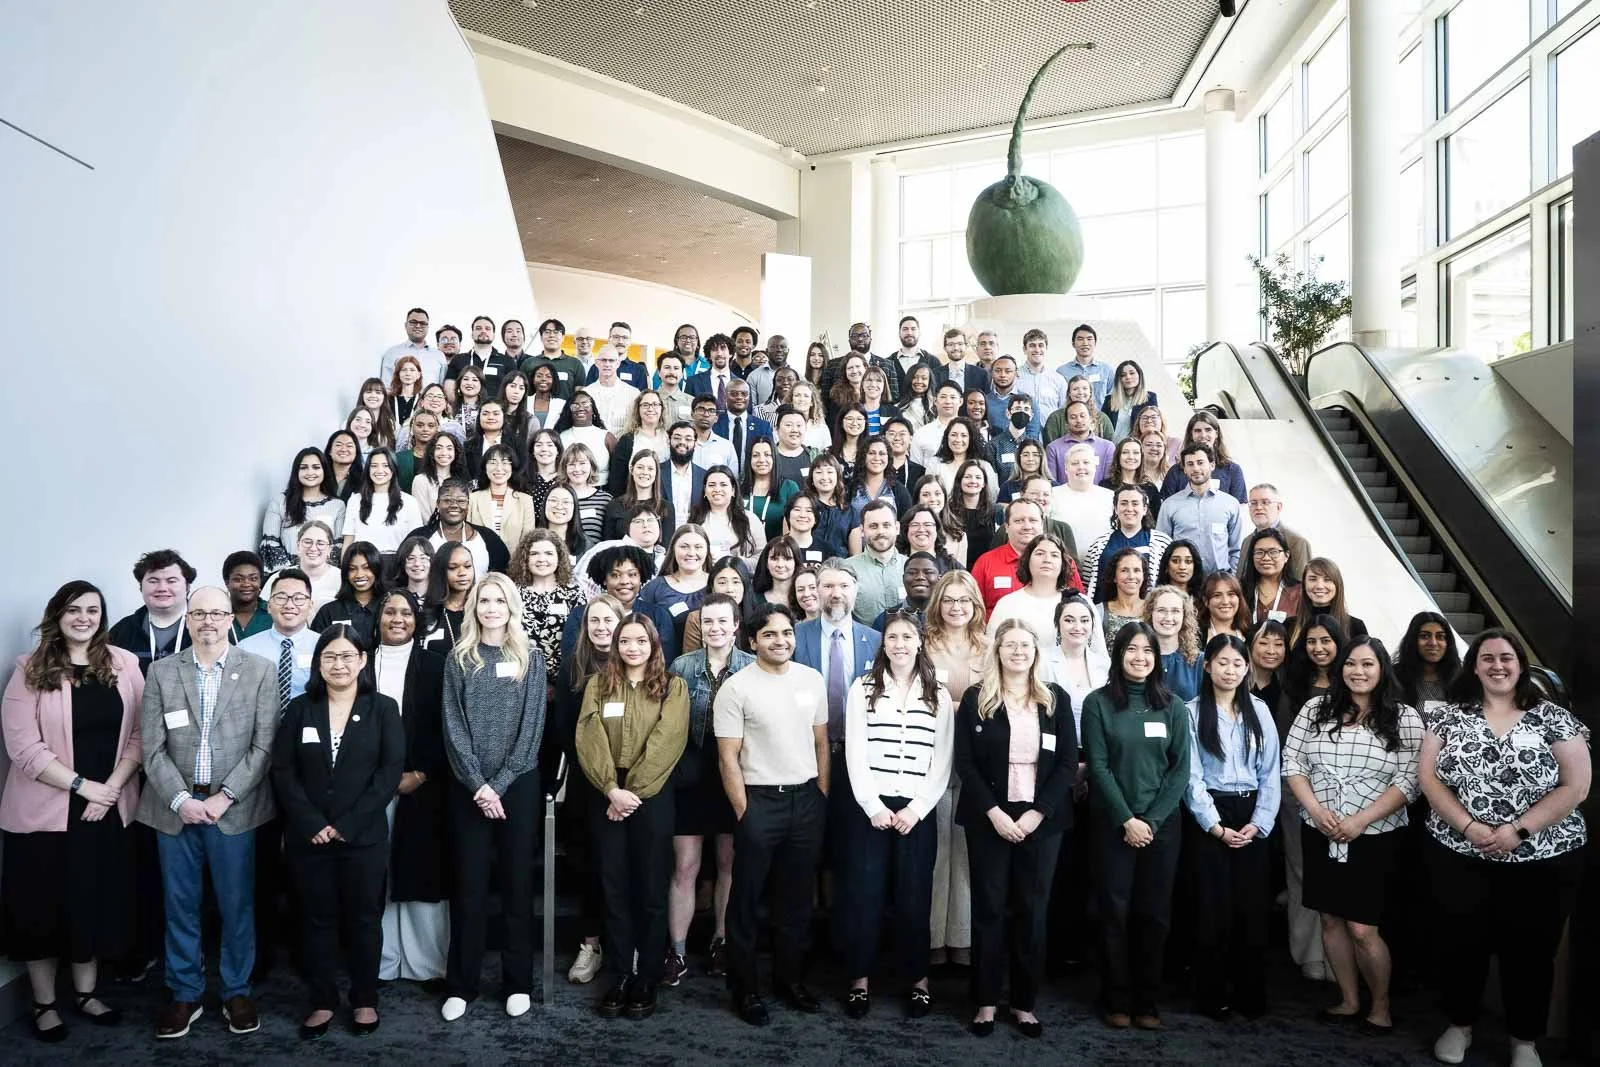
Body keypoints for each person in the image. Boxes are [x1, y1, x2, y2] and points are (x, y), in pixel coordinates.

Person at [1419, 629, 1589, 1067]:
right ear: (1474, 665)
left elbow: (1577, 786)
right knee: (1461, 945)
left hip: (1543, 858)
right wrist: (1468, 825)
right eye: (1487, 657)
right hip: (1459, 854)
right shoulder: (1449, 717)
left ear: (1521, 665)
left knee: (1531, 952)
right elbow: (1429, 779)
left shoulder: (1553, 718)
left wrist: (1519, 830)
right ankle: (1459, 1025)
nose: (1497, 665)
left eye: (1507, 657)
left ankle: (1525, 1041)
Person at [2, 582, 144, 1041]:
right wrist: (85, 788)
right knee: (40, 910)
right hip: (46, 816)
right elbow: (24, 748)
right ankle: (44, 1003)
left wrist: (110, 791)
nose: (83, 617)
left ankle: (86, 994)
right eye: (73, 609)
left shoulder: (124, 664)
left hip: (107, 811)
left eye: (92, 610)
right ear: (56, 615)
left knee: (94, 904)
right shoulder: (30, 668)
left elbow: (142, 735)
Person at [136, 586, 278, 1040]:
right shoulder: (160, 672)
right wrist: (182, 799)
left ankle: (236, 990)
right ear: (188, 619)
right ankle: (184, 993)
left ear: (229, 619)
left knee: (237, 905)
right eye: (199, 613)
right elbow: (152, 747)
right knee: (179, 905)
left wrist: (225, 797)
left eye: (218, 613)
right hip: (174, 808)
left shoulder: (259, 670)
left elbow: (264, 745)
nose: (209, 621)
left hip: (233, 810)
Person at [1281, 636, 1423, 1034]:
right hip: (1320, 827)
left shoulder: (1405, 716)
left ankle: (1380, 1005)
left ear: (1382, 670)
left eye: (1367, 665)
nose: (1358, 672)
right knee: (1329, 918)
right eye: (1351, 664)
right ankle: (1348, 999)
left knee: (1363, 928)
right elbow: (1292, 760)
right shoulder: (1315, 708)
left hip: (1375, 833)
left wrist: (1362, 820)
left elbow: (1411, 778)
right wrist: (1314, 809)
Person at [271, 624, 403, 1040]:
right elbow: (283, 770)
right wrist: (312, 824)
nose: (338, 664)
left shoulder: (383, 708)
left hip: (361, 838)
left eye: (347, 656)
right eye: (330, 656)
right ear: (319, 662)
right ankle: (322, 1000)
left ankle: (364, 999)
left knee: (365, 919)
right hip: (308, 839)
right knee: (315, 920)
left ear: (362, 660)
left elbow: (389, 774)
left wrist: (347, 824)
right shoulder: (299, 708)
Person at [955, 618, 1077, 1038]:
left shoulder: (1055, 700)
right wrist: (995, 813)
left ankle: (1025, 1004)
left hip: (1041, 820)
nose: (1018, 652)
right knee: (988, 910)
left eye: (1025, 645)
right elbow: (965, 765)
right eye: (1010, 645)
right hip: (990, 817)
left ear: (1036, 652)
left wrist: (1037, 812)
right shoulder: (977, 699)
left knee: (1032, 912)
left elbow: (1066, 765)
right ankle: (986, 1002)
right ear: (998, 651)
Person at [714, 603, 830, 1025]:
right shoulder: (736, 687)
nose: (780, 641)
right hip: (759, 802)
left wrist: (819, 795)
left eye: (786, 633)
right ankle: (745, 990)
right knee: (745, 903)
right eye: (769, 634)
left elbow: (821, 744)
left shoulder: (811, 680)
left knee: (797, 901)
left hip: (805, 801)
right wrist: (745, 811)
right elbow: (728, 759)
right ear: (751, 641)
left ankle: (790, 980)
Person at [439, 574, 546, 1023]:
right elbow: (452, 725)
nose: (490, 607)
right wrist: (479, 784)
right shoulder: (458, 659)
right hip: (469, 787)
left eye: (499, 600)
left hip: (517, 785)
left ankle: (517, 982)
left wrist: (499, 784)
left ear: (511, 606)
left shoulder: (530, 658)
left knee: (518, 888)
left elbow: (532, 728)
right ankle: (461, 985)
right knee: (469, 888)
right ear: (474, 606)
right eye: (484, 600)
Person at [837, 611, 953, 1021]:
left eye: (907, 637)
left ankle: (918, 982)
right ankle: (859, 982)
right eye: (892, 638)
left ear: (920, 642)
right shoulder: (862, 688)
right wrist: (873, 806)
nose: (900, 644)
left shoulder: (937, 692)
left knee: (914, 898)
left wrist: (917, 809)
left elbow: (943, 758)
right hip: (871, 808)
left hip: (916, 810)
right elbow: (854, 752)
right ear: (883, 644)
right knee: (864, 896)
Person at [576, 615, 689, 1020]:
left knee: (650, 886)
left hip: (651, 795)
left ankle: (648, 977)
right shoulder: (598, 684)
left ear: (654, 644)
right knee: (614, 885)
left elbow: (668, 740)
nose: (633, 647)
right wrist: (610, 789)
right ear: (616, 645)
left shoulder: (673, 687)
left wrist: (630, 794)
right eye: (626, 640)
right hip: (605, 791)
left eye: (641, 640)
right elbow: (589, 736)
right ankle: (622, 974)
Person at [1081, 622, 1191, 1030]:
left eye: (1147, 651)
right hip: (1113, 824)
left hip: (1161, 828)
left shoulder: (1173, 706)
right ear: (1118, 655)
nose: (1140, 657)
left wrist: (1151, 820)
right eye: (1132, 650)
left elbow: (1180, 771)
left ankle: (1147, 1000)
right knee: (1114, 912)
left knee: (1155, 915)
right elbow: (1098, 766)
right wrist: (1127, 819)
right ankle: (1116, 999)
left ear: (1156, 658)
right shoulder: (1098, 703)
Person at [1183, 634, 1280, 1020]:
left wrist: (1260, 823)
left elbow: (1272, 772)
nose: (1230, 670)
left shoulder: (1259, 711)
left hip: (1253, 814)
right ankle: (1212, 994)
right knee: (1211, 909)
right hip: (1211, 815)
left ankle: (1250, 993)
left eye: (1237, 664)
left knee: (1251, 909)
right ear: (1207, 667)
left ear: (1246, 668)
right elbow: (1190, 777)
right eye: (1221, 663)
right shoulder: (1191, 712)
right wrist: (1215, 826)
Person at [663, 594, 751, 985]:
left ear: (736, 626)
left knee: (730, 864)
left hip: (735, 774)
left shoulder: (751, 667)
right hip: (691, 775)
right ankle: (677, 951)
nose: (715, 628)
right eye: (708, 622)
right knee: (685, 867)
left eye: (723, 622)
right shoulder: (681, 667)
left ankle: (721, 941)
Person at [367, 591, 449, 985]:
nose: (397, 619)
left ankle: (425, 964)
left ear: (418, 621)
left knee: (420, 870)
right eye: (389, 612)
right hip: (367, 786)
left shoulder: (436, 666)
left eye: (406, 613)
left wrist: (420, 774)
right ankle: (382, 961)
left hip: (421, 783)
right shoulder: (359, 661)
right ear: (377, 617)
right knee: (375, 872)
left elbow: (445, 726)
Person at [923, 571, 987, 969]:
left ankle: (961, 936)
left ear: (976, 605)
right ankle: (932, 937)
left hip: (976, 762)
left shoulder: (988, 646)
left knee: (964, 850)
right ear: (938, 604)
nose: (957, 607)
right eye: (949, 600)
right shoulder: (924, 646)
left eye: (964, 600)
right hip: (931, 757)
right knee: (935, 849)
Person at [1155, 444, 1241, 574]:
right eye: (1190, 464)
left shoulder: (1230, 504)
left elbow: (1236, 549)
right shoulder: (1170, 505)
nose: (1195, 468)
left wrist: (1231, 577)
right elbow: (1161, 548)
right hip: (1183, 583)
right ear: (1184, 469)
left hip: (1218, 582)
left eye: (1200, 463)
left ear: (1212, 465)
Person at [405, 477, 512, 578]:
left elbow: (502, 575)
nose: (454, 505)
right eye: (447, 500)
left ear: (468, 505)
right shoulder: (419, 537)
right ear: (438, 504)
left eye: (461, 501)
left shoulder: (488, 538)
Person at [261, 448, 346, 570]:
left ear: (325, 471)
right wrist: (291, 575)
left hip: (324, 575)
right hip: (287, 576)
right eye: (304, 467)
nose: (310, 472)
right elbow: (270, 544)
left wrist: (321, 572)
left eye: (316, 467)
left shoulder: (337, 505)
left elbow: (338, 546)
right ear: (296, 472)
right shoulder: (280, 502)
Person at [1082, 485, 1171, 598]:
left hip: (1146, 611)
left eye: (1135, 503)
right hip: (1104, 610)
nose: (1129, 508)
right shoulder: (1099, 545)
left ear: (1144, 509)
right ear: (1116, 508)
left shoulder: (1162, 543)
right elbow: (1086, 581)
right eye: (1124, 503)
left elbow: (1169, 580)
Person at [986, 533, 1074, 643]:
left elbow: (1098, 653)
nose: (1047, 559)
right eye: (1040, 553)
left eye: (1054, 555)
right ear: (1027, 560)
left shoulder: (1078, 603)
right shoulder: (1007, 604)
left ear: (1063, 564)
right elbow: (991, 650)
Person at [971, 498, 1051, 615]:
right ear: (1007, 527)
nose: (1027, 526)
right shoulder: (985, 563)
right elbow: (973, 610)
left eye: (1033, 520)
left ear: (1042, 525)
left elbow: (1075, 605)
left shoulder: (1060, 562)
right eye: (1019, 521)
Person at [1159, 412, 1248, 503]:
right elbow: (1167, 506)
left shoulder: (1232, 470)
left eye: (1208, 430)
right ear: (1191, 435)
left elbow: (1240, 508)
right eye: (1197, 431)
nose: (1203, 435)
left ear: (1216, 434)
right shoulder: (1176, 471)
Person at [1048, 444, 1115, 561]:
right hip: (1063, 568)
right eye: (1074, 463)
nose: (1081, 467)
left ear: (1095, 467)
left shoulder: (1110, 496)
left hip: (1102, 568)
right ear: (1065, 469)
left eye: (1086, 462)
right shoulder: (1052, 495)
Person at [842, 499, 905, 625]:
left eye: (886, 525)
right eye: (873, 526)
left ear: (897, 528)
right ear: (861, 530)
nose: (880, 531)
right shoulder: (847, 570)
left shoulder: (911, 568)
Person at [311, 542, 386, 644]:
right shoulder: (328, 612)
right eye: (352, 569)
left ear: (377, 569)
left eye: (366, 567)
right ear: (346, 573)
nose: (359, 574)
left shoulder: (389, 607)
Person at [468, 444, 537, 554]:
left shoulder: (525, 500)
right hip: (479, 562)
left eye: (505, 462)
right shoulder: (473, 498)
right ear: (485, 467)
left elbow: (528, 541)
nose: (499, 468)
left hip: (514, 564)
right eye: (493, 462)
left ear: (512, 467)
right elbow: (467, 536)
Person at [1393, 611, 1461, 719]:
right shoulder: (1395, 677)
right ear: (1413, 640)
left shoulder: (1461, 679)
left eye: (1440, 637)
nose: (1433, 643)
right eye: (1425, 636)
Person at [692, 465, 766, 565]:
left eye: (723, 484)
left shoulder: (750, 519)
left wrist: (736, 562)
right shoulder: (693, 519)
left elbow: (762, 557)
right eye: (712, 485)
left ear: (733, 490)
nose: (717, 489)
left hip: (738, 578)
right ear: (705, 490)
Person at [1142, 585, 1203, 702]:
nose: (1168, 617)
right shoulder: (1139, 659)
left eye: (1175, 611)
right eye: (1161, 610)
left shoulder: (1199, 661)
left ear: (1184, 616)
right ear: (1151, 614)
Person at [1245, 483, 1313, 578]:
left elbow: (1301, 585)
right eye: (1253, 503)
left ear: (1279, 507)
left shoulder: (1296, 542)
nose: (1258, 507)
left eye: (1265, 502)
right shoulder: (1247, 541)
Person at [1238, 527, 1303, 626]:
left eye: (1273, 552)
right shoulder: (1240, 590)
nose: (1266, 558)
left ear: (1286, 556)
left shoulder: (1299, 592)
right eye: (1259, 552)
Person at [1294, 557, 1368, 642]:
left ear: (1337, 585)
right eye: (1313, 579)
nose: (1319, 586)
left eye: (1327, 580)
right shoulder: (1290, 625)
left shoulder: (1355, 626)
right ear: (1304, 584)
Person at [1045, 401, 1115, 485]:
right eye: (1073, 417)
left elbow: (1109, 482)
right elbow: (1052, 483)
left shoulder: (1107, 447)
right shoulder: (1053, 448)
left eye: (1083, 416)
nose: (1078, 420)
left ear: (1091, 419)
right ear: (1066, 423)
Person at [1095, 547, 1150, 648]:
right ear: (1114, 576)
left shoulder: (1153, 610)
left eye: (1137, 570)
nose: (1131, 576)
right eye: (1124, 570)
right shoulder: (1099, 612)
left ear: (1143, 575)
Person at [870, 552, 939, 628]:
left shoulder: (948, 615)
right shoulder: (884, 620)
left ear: (939, 579)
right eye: (912, 573)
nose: (920, 577)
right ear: (903, 579)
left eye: (928, 572)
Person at [1054, 324, 1115, 408]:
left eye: (1089, 339)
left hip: (1099, 419)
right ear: (1073, 344)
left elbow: (1112, 400)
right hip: (1071, 418)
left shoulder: (1106, 370)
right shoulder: (1061, 372)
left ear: (1095, 343)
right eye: (1080, 339)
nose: (1085, 343)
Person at [410, 432, 466, 520]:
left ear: (456, 452)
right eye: (439, 448)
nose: (444, 452)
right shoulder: (421, 480)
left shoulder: (462, 480)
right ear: (432, 452)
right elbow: (424, 516)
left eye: (449, 448)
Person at [380, 308, 444, 384]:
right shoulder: (392, 353)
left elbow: (442, 387)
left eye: (423, 323)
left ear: (428, 327)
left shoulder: (438, 355)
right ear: (405, 325)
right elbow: (386, 386)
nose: (418, 326)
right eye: (413, 322)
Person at [1101, 361, 1158, 441]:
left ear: (1139, 375)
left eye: (1132, 373)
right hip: (1113, 447)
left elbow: (1153, 426)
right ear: (1119, 379)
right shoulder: (1109, 400)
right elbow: (1102, 426)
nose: (1128, 377)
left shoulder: (1150, 398)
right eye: (1123, 375)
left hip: (1138, 447)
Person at [223, 552, 272, 644]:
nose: (246, 584)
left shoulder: (273, 613)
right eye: (238, 579)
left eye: (253, 579)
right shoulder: (216, 613)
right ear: (227, 582)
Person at [781, 493, 842, 566]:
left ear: (816, 518)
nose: (802, 515)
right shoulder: (776, 546)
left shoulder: (827, 550)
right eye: (797, 509)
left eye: (809, 511)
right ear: (788, 516)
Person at [1199, 572, 1250, 642]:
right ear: (1206, 601)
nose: (1225, 602)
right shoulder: (1196, 635)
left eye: (1231, 594)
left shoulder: (1250, 634)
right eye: (1217, 595)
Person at [1156, 538, 1207, 607]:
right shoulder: (1156, 599)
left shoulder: (1204, 600)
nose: (1182, 567)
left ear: (1195, 566)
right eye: (1175, 561)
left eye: (1188, 561)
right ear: (1166, 566)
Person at [325, 430, 366, 500]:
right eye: (338, 445)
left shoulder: (364, 481)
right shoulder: (319, 477)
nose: (344, 449)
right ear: (330, 451)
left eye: (349, 446)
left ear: (356, 452)